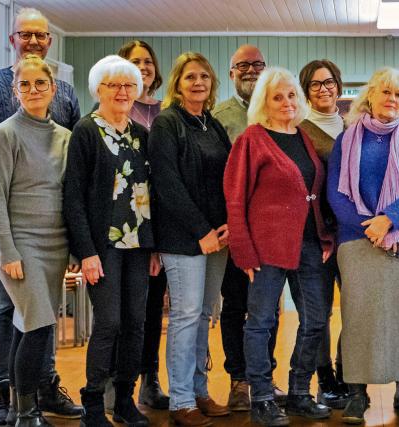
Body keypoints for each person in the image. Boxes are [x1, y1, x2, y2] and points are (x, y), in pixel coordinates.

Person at [0, 8, 82, 424]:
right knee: (18, 315)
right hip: (15, 237)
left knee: (41, 320)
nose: (33, 88)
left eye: (41, 82)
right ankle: (7, 402)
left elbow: (73, 184)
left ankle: (40, 392)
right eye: (25, 83)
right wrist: (3, 245)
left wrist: (79, 245)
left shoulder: (66, 120)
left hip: (54, 240)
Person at [224, 67, 334, 427]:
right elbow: (235, 198)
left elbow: (313, 192)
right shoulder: (252, 139)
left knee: (316, 319)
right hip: (265, 248)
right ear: (264, 103)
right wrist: (242, 249)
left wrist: (325, 236)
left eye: (291, 96)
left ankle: (300, 392)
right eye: (277, 97)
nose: (286, 102)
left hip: (308, 245)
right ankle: (263, 398)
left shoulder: (302, 136)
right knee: (261, 323)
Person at [327, 67, 399, 425]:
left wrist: (390, 220)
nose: (391, 100)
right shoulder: (346, 139)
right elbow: (336, 193)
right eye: (385, 92)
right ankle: (357, 392)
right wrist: (370, 227)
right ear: (370, 95)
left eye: (398, 95)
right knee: (358, 317)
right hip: (356, 239)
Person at [62, 55, 158, 427]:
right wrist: (85, 251)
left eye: (128, 85)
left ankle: (124, 400)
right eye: (112, 85)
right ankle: (91, 404)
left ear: (137, 90)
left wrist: (152, 246)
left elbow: (150, 192)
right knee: (109, 323)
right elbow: (73, 196)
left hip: (138, 244)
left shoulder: (141, 134)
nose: (121, 92)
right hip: (102, 247)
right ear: (98, 89)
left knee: (136, 322)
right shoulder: (87, 131)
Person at [148, 52, 232, 426]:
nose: (198, 82)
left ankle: (199, 390)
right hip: (184, 238)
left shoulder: (211, 125)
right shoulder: (167, 123)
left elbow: (227, 179)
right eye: (189, 77)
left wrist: (228, 224)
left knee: (203, 317)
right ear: (177, 84)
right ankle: (181, 400)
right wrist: (201, 231)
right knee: (184, 317)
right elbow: (167, 184)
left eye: (204, 76)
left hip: (217, 238)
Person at [212, 44, 286, 412]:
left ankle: (265, 377)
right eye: (242, 65)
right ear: (231, 73)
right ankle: (239, 379)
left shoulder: (280, 115)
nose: (251, 70)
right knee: (236, 305)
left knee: (267, 309)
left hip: (272, 234)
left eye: (258, 63)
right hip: (234, 230)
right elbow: (214, 176)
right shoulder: (219, 116)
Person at [116, 39, 170, 411]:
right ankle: (114, 382)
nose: (143, 66)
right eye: (135, 61)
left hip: (160, 224)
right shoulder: (111, 110)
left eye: (147, 61)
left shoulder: (168, 112)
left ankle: (149, 380)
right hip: (122, 226)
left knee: (152, 309)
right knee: (120, 312)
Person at [297, 59, 349, 410]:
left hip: (352, 234)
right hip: (314, 235)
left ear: (338, 85)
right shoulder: (298, 131)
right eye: (315, 84)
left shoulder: (354, 127)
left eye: (328, 82)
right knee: (317, 313)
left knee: (355, 308)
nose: (323, 89)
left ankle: (348, 372)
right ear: (306, 90)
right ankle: (325, 376)